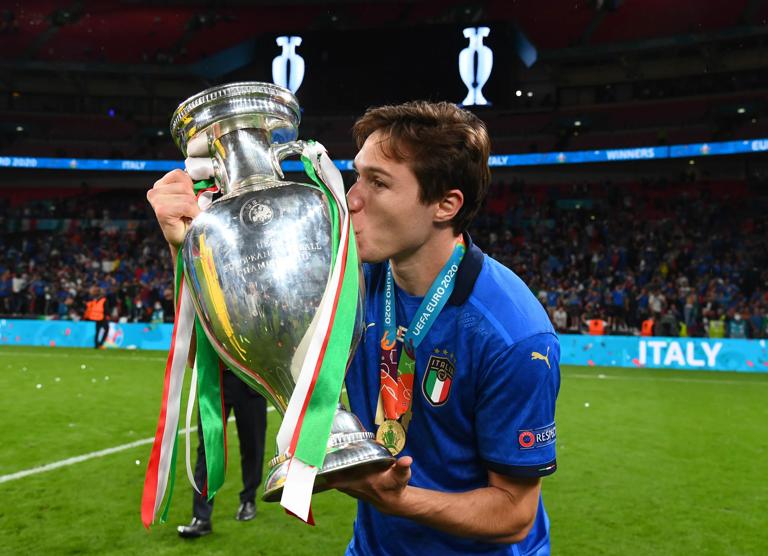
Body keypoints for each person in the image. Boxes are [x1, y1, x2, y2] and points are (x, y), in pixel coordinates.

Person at [147, 100, 560, 555]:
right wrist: (186, 245)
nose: (351, 198)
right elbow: (230, 343)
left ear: (445, 204)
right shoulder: (346, 277)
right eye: (357, 175)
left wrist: (399, 500)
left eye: (378, 183)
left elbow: (514, 514)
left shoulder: (513, 334)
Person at [177, 370, 267, 539]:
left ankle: (248, 499)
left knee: (252, 445)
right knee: (208, 448)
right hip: (214, 381)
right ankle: (201, 517)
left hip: (249, 380)